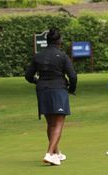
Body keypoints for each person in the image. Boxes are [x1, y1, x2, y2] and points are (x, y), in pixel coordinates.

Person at [25, 28, 77, 166]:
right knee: (59, 123)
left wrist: (38, 81)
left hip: (42, 91)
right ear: (59, 41)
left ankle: (56, 153)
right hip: (58, 90)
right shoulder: (63, 56)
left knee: (51, 123)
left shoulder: (38, 56)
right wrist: (72, 89)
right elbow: (72, 76)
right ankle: (49, 153)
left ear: (46, 41)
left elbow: (28, 76)